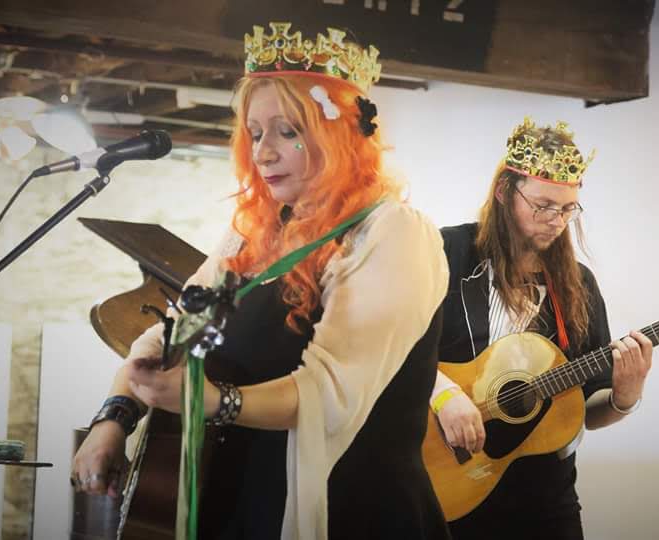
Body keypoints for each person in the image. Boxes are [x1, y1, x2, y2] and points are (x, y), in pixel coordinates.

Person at [71, 21, 451, 540]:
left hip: (350, 508)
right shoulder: (252, 234)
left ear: (339, 134)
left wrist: (211, 401)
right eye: (254, 133)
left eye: (287, 131)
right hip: (238, 499)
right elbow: (170, 333)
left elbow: (329, 396)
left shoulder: (392, 233)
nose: (263, 152)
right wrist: (114, 416)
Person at [428, 118, 654, 539]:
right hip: (448, 481)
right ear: (504, 192)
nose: (556, 220)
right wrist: (442, 394)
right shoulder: (447, 252)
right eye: (543, 205)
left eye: (568, 209)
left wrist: (624, 398)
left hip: (544, 495)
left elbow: (586, 410)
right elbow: (392, 348)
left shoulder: (579, 285)